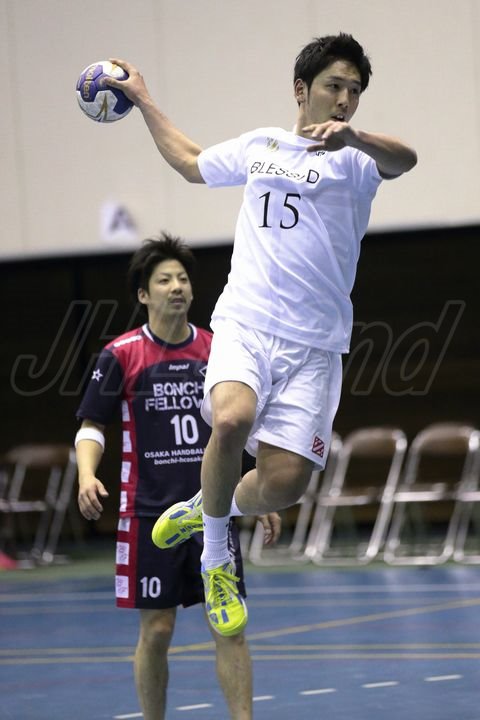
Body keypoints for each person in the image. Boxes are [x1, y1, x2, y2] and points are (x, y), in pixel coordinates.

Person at [106, 32, 418, 638]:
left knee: (283, 485)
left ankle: (204, 505)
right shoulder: (262, 146)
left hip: (316, 346)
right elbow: (191, 162)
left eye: (354, 90)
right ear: (302, 89)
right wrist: (142, 100)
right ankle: (216, 557)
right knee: (230, 420)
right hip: (247, 322)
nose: (344, 99)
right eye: (334, 86)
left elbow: (405, 159)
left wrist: (355, 137)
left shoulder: (357, 162)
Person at [75, 233, 281, 720]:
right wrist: (86, 474)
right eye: (164, 280)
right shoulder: (121, 354)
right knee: (158, 630)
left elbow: (241, 427)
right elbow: (91, 425)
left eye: (183, 279)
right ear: (143, 294)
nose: (176, 287)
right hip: (148, 512)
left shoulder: (218, 350)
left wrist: (261, 490)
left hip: (214, 510)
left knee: (229, 626)